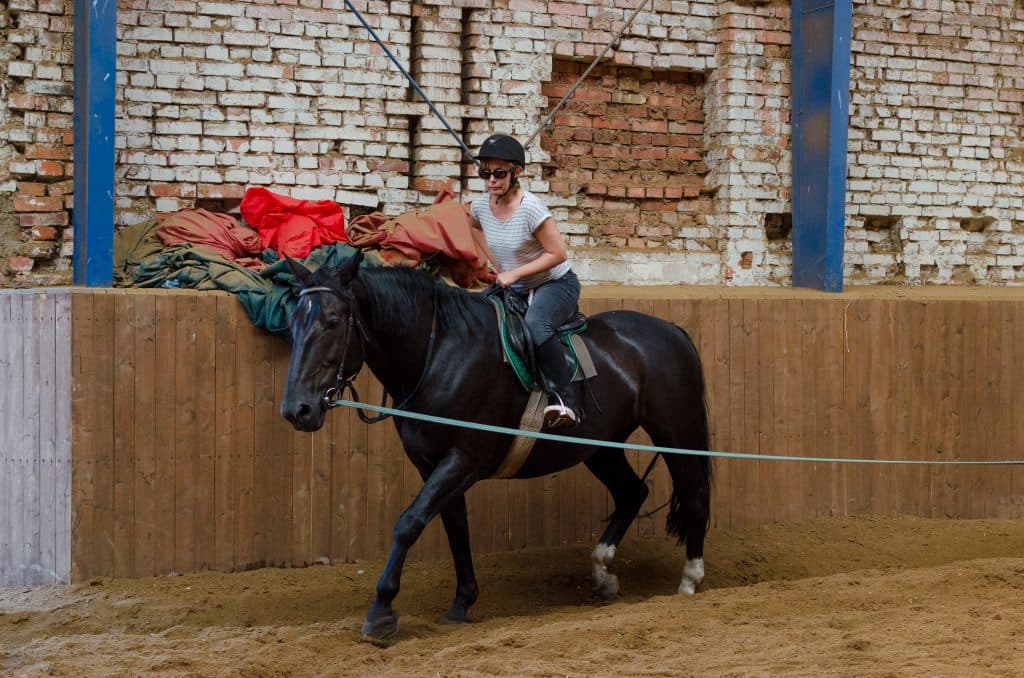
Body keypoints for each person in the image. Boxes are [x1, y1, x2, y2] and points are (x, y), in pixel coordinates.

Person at [469, 134, 583, 429]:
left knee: (535, 325)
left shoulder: (531, 208)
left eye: (499, 173)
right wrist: (498, 265)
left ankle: (565, 401)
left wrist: (515, 273)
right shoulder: (480, 206)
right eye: (485, 173)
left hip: (555, 284)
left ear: (516, 172)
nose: (491, 180)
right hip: (513, 286)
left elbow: (558, 253)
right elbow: (474, 226)